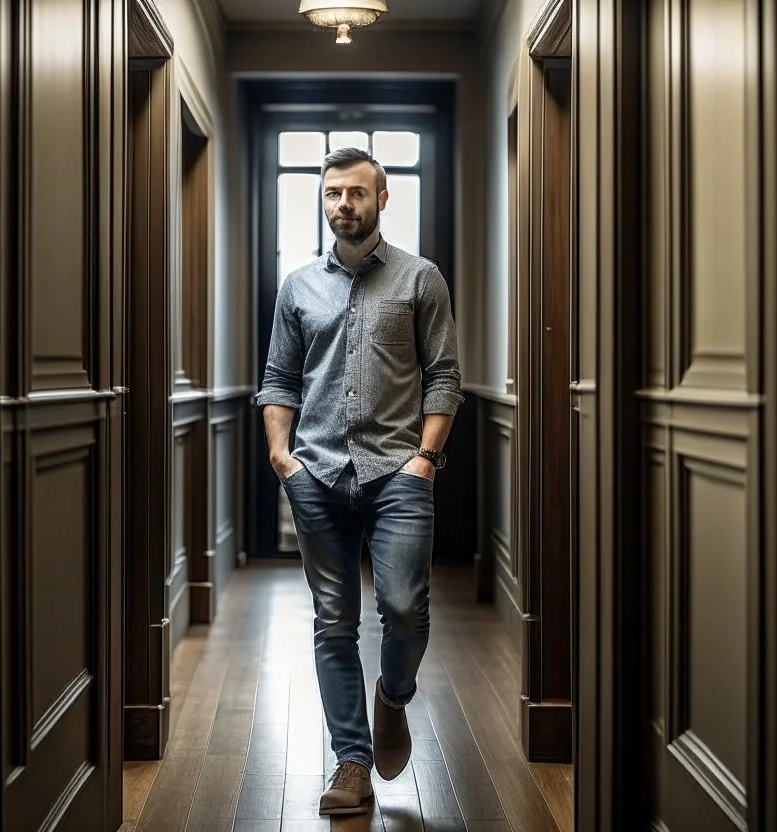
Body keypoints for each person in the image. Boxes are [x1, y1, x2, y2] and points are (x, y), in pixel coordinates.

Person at [254, 146, 463, 815]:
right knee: (333, 621)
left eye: (356, 194)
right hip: (316, 471)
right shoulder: (297, 288)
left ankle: (393, 698)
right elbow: (279, 379)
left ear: (381, 199)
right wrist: (283, 457)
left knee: (404, 606)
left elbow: (444, 376)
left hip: (399, 468)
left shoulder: (420, 278)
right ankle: (352, 763)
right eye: (332, 194)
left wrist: (425, 458)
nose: (343, 205)